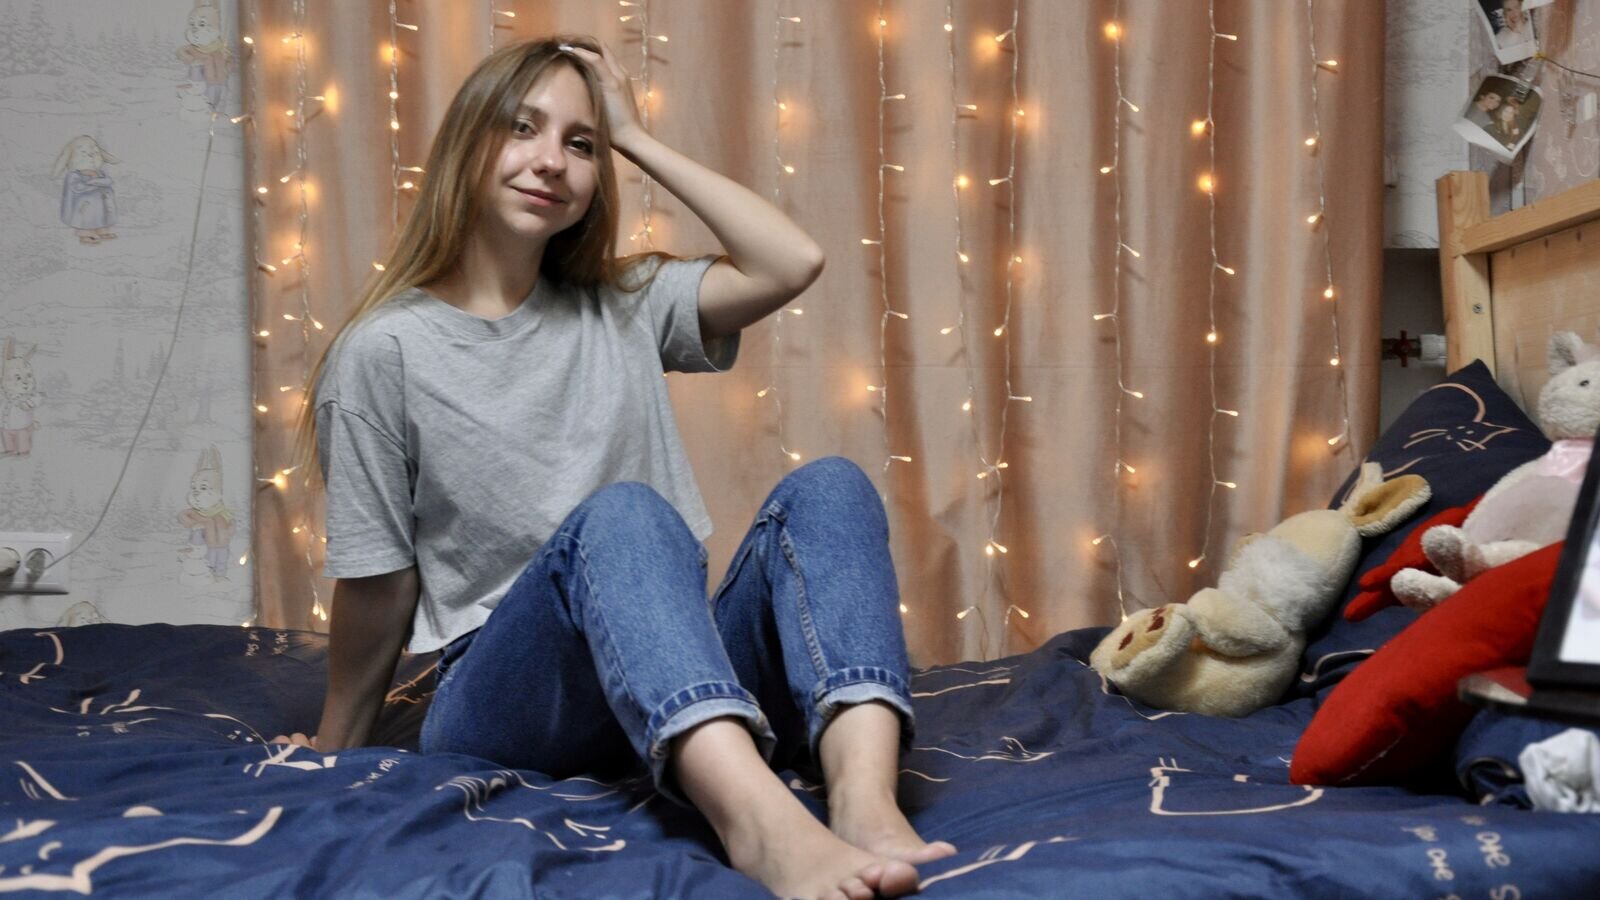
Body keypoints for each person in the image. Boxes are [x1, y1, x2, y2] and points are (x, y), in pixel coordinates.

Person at [283, 35, 954, 899]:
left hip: (667, 663)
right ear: (465, 142)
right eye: (521, 127)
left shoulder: (625, 303)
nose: (550, 161)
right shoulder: (385, 351)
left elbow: (792, 261)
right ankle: (759, 826)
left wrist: (633, 134)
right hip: (514, 695)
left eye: (580, 143)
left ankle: (864, 803)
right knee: (624, 512)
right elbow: (379, 582)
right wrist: (336, 745)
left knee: (832, 487)